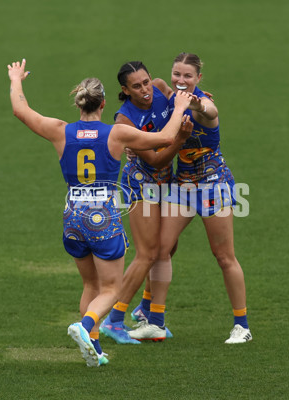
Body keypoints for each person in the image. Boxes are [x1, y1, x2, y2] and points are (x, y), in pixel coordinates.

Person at [7, 59, 193, 366]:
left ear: (79, 104)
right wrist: (178, 108)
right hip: (102, 218)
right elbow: (165, 139)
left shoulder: (60, 131)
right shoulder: (116, 134)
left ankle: (92, 348)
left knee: (90, 285)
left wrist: (16, 79)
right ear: (104, 104)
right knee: (111, 288)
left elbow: (20, 111)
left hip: (72, 218)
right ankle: (86, 325)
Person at [127, 52, 252, 344]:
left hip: (213, 186)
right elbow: (156, 88)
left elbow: (209, 110)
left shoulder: (201, 103)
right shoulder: (170, 96)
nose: (181, 80)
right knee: (160, 249)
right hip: (181, 186)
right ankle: (155, 320)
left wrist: (197, 102)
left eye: (188, 76)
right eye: (177, 74)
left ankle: (241, 326)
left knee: (223, 256)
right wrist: (136, 140)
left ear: (198, 78)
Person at [99, 61, 190, 344]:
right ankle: (114, 319)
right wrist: (180, 139)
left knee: (167, 247)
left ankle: (146, 308)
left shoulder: (162, 88)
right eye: (136, 86)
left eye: (146, 82)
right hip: (141, 185)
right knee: (147, 254)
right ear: (125, 90)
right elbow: (155, 158)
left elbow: (188, 97)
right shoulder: (124, 120)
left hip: (167, 182)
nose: (145, 90)